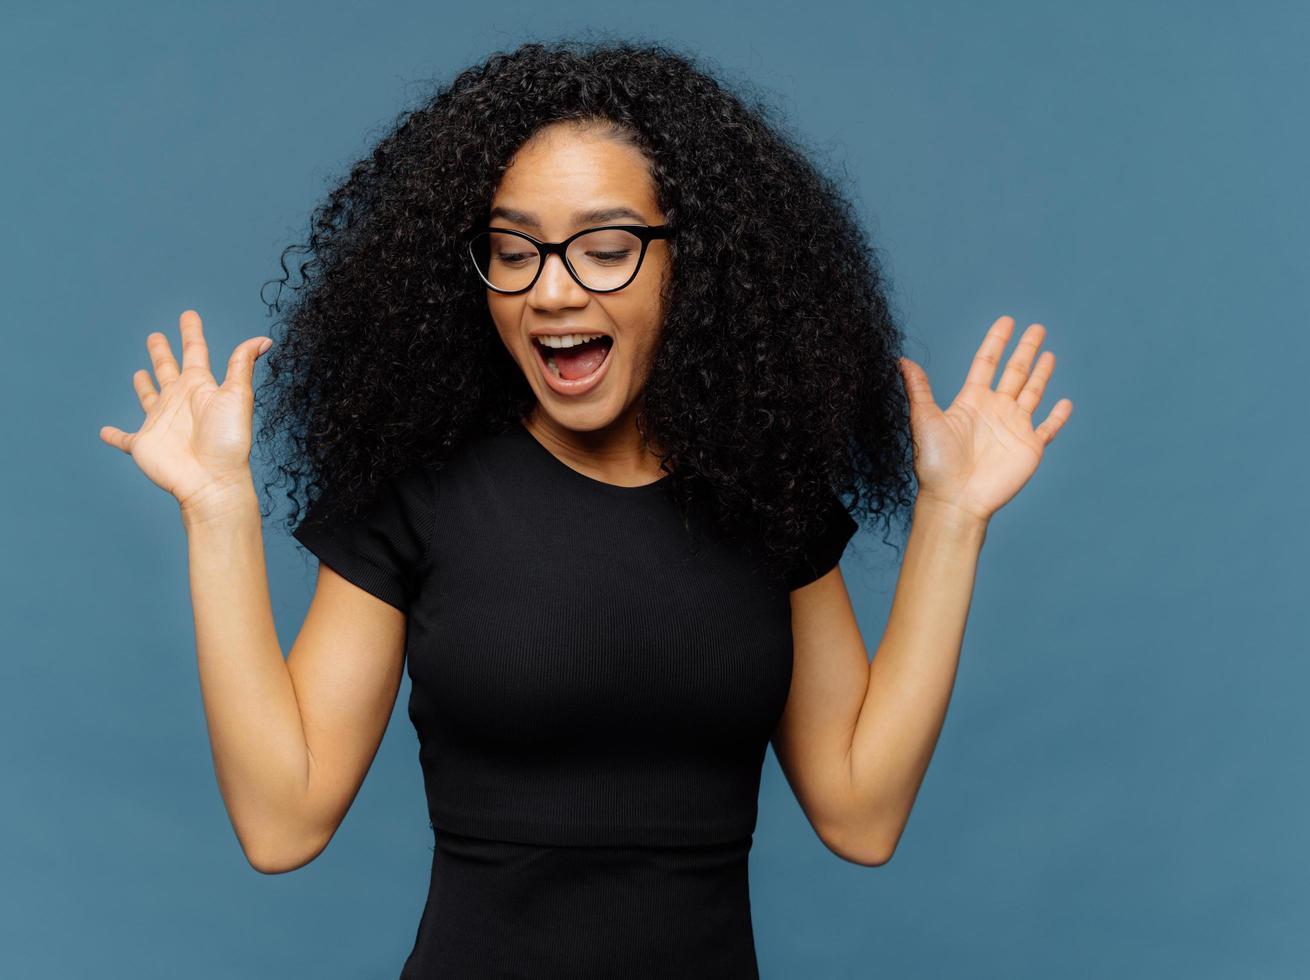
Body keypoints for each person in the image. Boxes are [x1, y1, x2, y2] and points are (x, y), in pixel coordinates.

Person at [99, 39, 1071, 980]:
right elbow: (282, 821)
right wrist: (218, 506)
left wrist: (954, 512)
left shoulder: (767, 495)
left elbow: (862, 811)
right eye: (513, 251)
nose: (552, 290)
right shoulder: (419, 497)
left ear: (690, 261)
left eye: (604, 248)